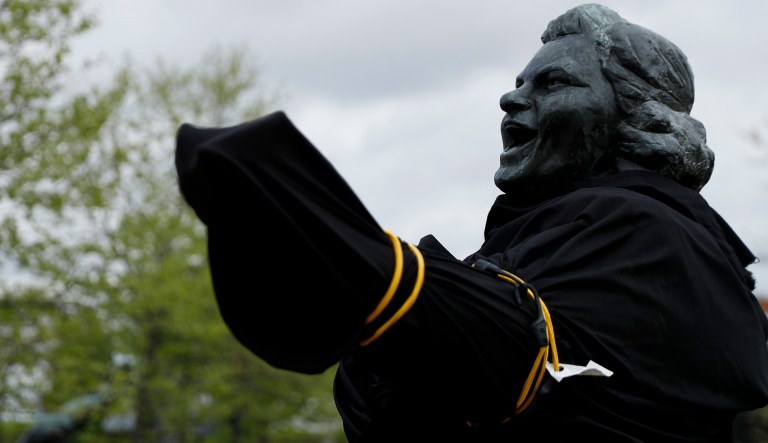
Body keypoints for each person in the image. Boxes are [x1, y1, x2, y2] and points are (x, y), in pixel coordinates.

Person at [174, 3, 768, 442]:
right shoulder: (613, 237)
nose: (511, 100)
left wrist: (350, 254)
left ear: (632, 118)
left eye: (555, 82)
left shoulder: (640, 230)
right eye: (517, 85)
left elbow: (509, 351)